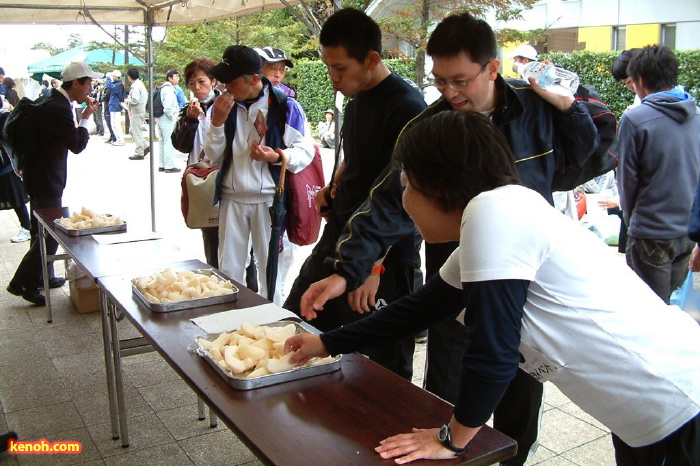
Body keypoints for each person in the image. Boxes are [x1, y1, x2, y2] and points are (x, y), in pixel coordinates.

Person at [287, 111, 700, 466]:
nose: (406, 200)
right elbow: (421, 308)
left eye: (407, 185)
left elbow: (494, 349)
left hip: (676, 405)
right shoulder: (500, 213)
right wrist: (326, 344)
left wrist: (453, 438)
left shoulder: (494, 212)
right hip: (647, 412)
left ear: (439, 184)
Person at [295, 12, 598, 465]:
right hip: (453, 273)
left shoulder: (535, 108)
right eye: (440, 81)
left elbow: (588, 155)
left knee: (517, 391)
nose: (450, 93)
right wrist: (347, 270)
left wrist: (570, 107)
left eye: (460, 80)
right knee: (447, 386)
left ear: (492, 68)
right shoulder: (428, 128)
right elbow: (387, 202)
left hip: (529, 282)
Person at [283, 8, 427, 380]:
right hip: (342, 239)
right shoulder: (359, 95)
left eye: (340, 68)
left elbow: (404, 197)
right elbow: (359, 155)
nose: (333, 78)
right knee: (297, 324)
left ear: (372, 59)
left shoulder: (408, 108)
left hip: (385, 256)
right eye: (328, 66)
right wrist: (334, 186)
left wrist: (373, 266)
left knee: (378, 365)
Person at [203, 45, 314, 304]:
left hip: (269, 200)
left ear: (253, 79)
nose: (225, 86)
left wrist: (276, 157)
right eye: (223, 80)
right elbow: (213, 154)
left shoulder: (285, 105)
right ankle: (231, 325)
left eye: (231, 80)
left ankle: (272, 325)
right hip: (232, 197)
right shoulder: (221, 106)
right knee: (229, 270)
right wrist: (217, 123)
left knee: (270, 270)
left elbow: (305, 150)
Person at [6, 61, 101, 306]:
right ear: (77, 83)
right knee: (49, 233)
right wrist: (86, 118)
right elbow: (77, 145)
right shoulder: (58, 107)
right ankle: (22, 283)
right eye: (89, 83)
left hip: (37, 175)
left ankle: (43, 277)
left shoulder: (50, 99)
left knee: (40, 230)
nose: (91, 87)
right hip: (46, 178)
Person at [617, 45, 700, 304]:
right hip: (687, 232)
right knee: (668, 307)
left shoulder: (635, 119)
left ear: (640, 80)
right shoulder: (697, 116)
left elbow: (626, 180)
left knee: (648, 311)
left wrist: (632, 222)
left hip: (651, 232)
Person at [172, 57, 221, 268]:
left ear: (213, 81)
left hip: (224, 177)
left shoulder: (227, 105)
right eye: (192, 83)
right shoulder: (188, 109)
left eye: (201, 81)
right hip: (200, 180)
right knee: (210, 234)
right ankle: (217, 278)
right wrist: (191, 120)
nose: (197, 88)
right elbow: (180, 145)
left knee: (236, 241)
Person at [0, 111, 31, 243]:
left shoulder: (4, 117)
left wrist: (22, 164)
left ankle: (27, 227)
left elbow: (18, 140)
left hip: (6, 165)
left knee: (16, 198)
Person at [157, 69, 182, 173]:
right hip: (167, 118)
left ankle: (162, 164)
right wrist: (174, 117)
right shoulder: (168, 89)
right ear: (170, 78)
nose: (178, 78)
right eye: (176, 76)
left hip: (161, 118)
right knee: (169, 142)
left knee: (163, 141)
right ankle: (169, 166)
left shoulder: (163, 88)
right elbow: (167, 107)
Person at [125, 68, 149, 160]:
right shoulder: (140, 84)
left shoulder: (135, 86)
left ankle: (139, 152)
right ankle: (145, 145)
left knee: (136, 132)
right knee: (133, 130)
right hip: (140, 110)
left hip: (136, 111)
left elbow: (135, 100)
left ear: (130, 77)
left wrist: (127, 101)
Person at [105, 70, 125, 146]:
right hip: (113, 105)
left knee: (116, 124)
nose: (112, 77)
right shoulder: (116, 84)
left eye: (113, 76)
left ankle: (121, 139)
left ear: (116, 76)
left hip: (116, 106)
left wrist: (108, 78)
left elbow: (110, 86)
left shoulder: (119, 85)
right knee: (113, 124)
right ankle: (118, 139)